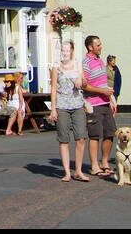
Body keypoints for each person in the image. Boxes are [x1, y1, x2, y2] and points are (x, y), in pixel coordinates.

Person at [48, 40, 89, 181]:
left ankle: (78, 170)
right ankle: (67, 172)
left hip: (77, 103)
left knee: (81, 138)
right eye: (62, 51)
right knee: (64, 139)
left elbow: (85, 82)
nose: (65, 53)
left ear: (72, 51)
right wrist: (53, 109)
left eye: (67, 50)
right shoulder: (56, 67)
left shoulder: (78, 65)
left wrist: (80, 80)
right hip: (62, 105)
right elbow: (53, 88)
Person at [83, 35, 117, 177]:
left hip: (105, 102)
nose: (100, 47)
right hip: (93, 104)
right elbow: (84, 85)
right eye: (98, 45)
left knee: (110, 133)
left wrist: (110, 100)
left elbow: (103, 83)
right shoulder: (86, 63)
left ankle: (104, 162)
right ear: (90, 47)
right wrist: (102, 91)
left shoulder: (100, 61)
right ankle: (94, 166)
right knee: (95, 135)